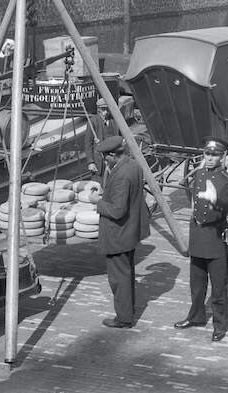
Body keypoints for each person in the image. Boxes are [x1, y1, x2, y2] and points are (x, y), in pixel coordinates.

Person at [175, 138, 228, 342]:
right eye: (207, 154)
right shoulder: (200, 174)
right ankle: (196, 316)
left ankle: (220, 324)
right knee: (197, 283)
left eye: (215, 155)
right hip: (199, 235)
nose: (210, 158)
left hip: (215, 237)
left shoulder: (226, 179)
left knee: (219, 286)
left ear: (222, 157)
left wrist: (215, 199)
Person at [94, 135, 151, 328]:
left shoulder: (121, 175)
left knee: (119, 279)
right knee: (126, 273)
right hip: (130, 231)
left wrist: (98, 202)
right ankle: (127, 312)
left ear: (112, 156)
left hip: (118, 234)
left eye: (105, 157)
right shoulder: (134, 166)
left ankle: (124, 318)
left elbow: (117, 211)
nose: (104, 161)